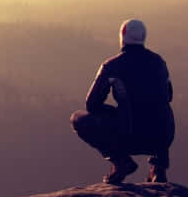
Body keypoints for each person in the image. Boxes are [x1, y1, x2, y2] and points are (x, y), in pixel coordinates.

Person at [70, 19, 175, 184]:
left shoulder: (112, 65)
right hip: (163, 135)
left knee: (78, 118)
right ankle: (159, 168)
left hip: (131, 134)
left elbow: (91, 104)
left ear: (122, 37)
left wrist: (116, 112)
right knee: (159, 112)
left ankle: (120, 162)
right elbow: (167, 97)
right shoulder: (159, 63)